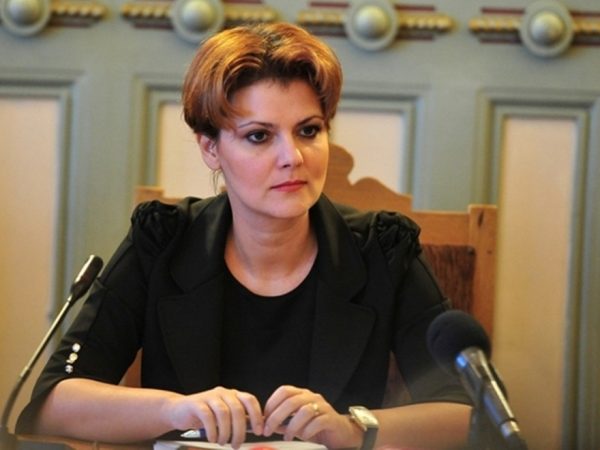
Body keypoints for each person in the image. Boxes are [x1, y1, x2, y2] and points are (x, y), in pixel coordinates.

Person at [17, 22, 471, 449]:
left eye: (308, 130)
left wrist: (352, 428)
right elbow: (51, 405)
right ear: (210, 148)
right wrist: (176, 409)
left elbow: (471, 414)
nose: (293, 157)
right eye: (259, 136)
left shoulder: (383, 250)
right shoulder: (162, 242)